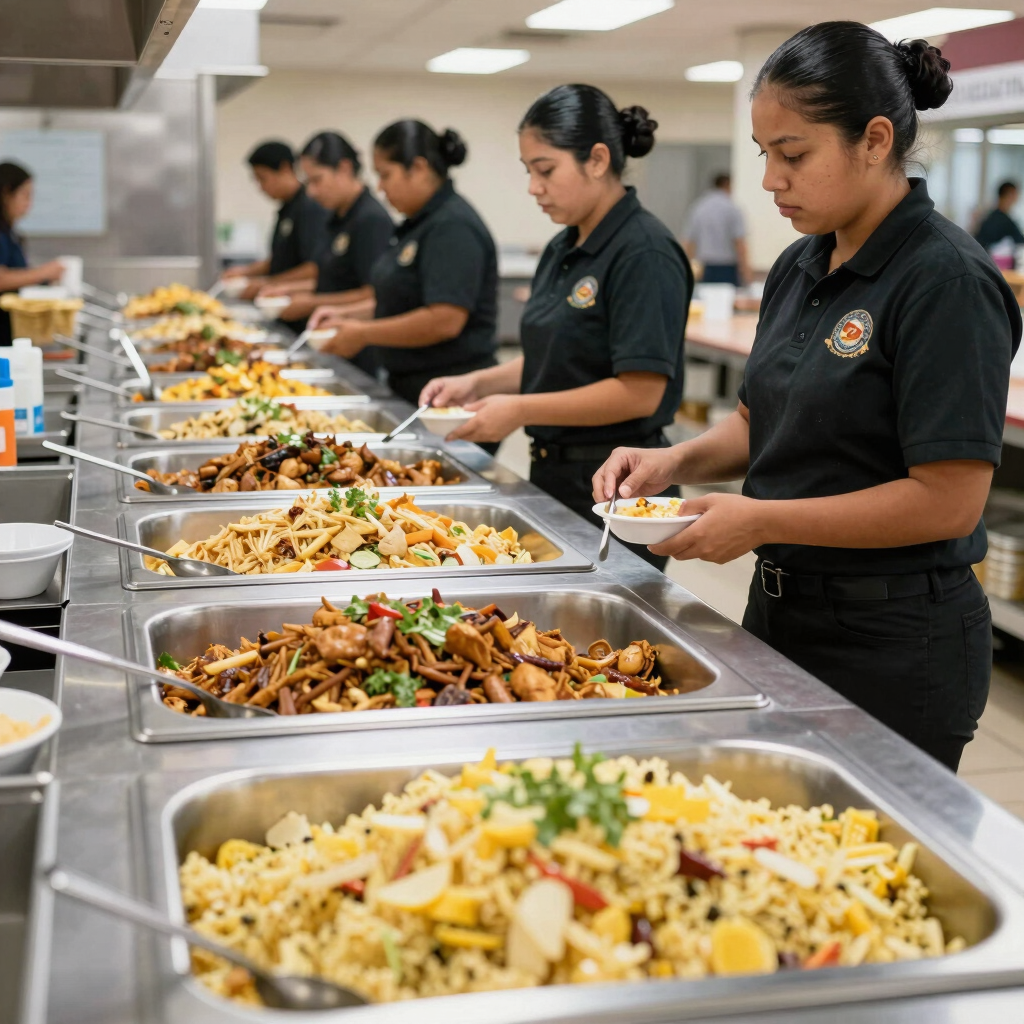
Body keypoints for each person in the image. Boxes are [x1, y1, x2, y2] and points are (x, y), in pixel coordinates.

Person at [593, 22, 1021, 771]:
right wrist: (674, 460)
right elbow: (766, 420)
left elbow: (948, 500)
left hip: (894, 640)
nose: (769, 180)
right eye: (765, 155)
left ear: (876, 139)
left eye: (793, 155)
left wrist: (760, 519)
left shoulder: (945, 281)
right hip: (781, 609)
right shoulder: (801, 264)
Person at [419, 84, 692, 570]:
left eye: (545, 170)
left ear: (598, 159)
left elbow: (640, 392)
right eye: (529, 172)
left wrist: (519, 409)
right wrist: (478, 381)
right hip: (555, 470)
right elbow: (558, 356)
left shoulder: (643, 252)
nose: (533, 187)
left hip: (619, 484)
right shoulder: (563, 247)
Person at [310, 120, 498, 407]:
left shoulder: (452, 226)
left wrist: (364, 333)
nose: (381, 187)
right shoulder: (418, 224)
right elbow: (400, 301)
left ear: (419, 168)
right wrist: (346, 316)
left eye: (386, 175)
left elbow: (444, 320)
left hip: (450, 393)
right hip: (410, 385)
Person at [257, 132, 394, 376]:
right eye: (308, 182)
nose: (311, 192)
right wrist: (291, 292)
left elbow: (372, 293)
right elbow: (329, 279)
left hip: (355, 352)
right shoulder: (336, 218)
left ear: (344, 169)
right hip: (329, 344)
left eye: (317, 180)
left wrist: (309, 303)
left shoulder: (370, 219)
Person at [221, 141, 330, 300]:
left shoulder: (309, 207)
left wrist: (268, 283)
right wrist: (246, 272)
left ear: (285, 169)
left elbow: (313, 268)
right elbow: (281, 258)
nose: (261, 187)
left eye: (263, 179)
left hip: (299, 302)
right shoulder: (287, 208)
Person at [0, 162, 65, 347]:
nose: (29, 203)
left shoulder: (10, 233)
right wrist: (43, 273)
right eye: (25, 195)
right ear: (6, 194)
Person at [683, 173, 751, 286]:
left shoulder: (698, 207)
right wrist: (746, 272)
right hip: (727, 268)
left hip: (704, 267)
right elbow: (739, 242)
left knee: (706, 300)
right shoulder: (732, 208)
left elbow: (688, 241)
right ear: (727, 185)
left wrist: (686, 270)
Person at [974, 180, 1024, 254]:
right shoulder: (1004, 221)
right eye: (1015, 195)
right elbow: (1020, 241)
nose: (1016, 199)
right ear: (1010, 195)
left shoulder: (989, 217)